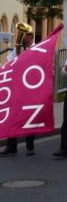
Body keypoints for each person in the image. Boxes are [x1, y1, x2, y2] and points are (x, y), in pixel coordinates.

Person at [0, 28, 36, 156]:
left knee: (28, 117)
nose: (21, 37)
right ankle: (11, 146)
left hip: (30, 88)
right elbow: (9, 63)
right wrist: (17, 52)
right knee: (13, 116)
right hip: (16, 87)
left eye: (23, 35)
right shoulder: (17, 49)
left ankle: (30, 146)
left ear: (30, 36)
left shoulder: (37, 49)